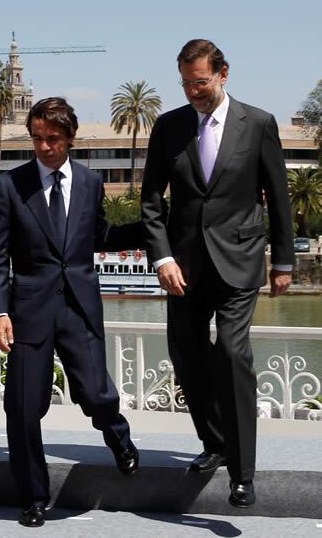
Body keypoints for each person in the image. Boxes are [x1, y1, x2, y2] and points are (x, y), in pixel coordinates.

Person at [141, 40, 294, 508]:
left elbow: (278, 196)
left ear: (223, 73)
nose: (193, 92)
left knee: (231, 352)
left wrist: (284, 261)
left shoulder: (259, 123)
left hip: (240, 259)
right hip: (184, 265)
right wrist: (162, 258)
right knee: (185, 354)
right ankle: (215, 444)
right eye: (185, 84)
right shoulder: (167, 128)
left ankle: (242, 472)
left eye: (200, 82)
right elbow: (151, 201)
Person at [0, 97, 140, 528]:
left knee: (95, 393)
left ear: (70, 138)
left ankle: (118, 437)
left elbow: (100, 236)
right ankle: (34, 497)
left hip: (79, 305)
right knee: (23, 407)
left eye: (52, 139)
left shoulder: (91, 182)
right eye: (37, 138)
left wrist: (151, 227)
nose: (44, 147)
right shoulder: (9, 186)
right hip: (29, 311)